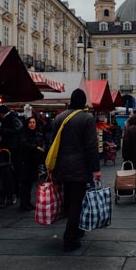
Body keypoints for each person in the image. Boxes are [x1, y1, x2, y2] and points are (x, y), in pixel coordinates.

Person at [51, 88, 101, 252]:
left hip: (61, 167)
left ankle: (77, 230)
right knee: (76, 203)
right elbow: (91, 146)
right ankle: (70, 238)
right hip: (79, 168)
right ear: (83, 101)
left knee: (69, 200)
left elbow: (52, 143)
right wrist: (95, 169)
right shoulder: (87, 118)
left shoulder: (59, 117)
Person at [18, 116, 45, 211]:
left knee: (29, 184)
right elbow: (24, 144)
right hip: (25, 161)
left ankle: (28, 203)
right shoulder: (23, 133)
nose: (32, 124)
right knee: (25, 184)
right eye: (30, 122)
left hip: (33, 162)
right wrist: (36, 147)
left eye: (34, 122)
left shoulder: (37, 133)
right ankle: (24, 204)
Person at [0, 104, 23, 197]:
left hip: (12, 147)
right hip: (11, 147)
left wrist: (3, 130)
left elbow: (18, 129)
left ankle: (14, 190)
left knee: (12, 169)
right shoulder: (11, 117)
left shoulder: (11, 118)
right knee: (12, 169)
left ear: (2, 113)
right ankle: (14, 189)